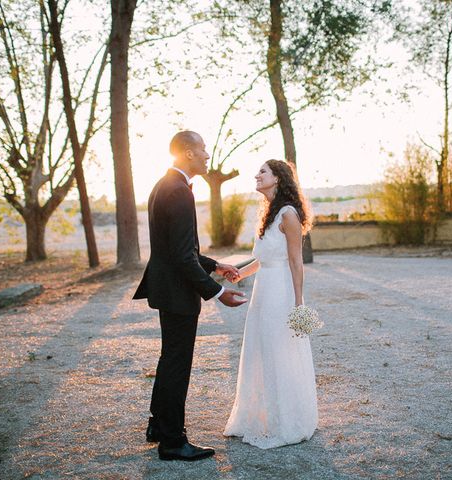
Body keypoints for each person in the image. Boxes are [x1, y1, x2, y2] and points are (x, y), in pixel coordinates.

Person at [133, 131, 247, 461]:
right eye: (203, 149)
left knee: (170, 357)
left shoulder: (164, 185)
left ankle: (159, 425)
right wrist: (218, 292)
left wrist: (215, 264)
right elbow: (182, 256)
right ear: (187, 153)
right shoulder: (179, 191)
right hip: (177, 290)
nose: (208, 155)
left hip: (168, 287)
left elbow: (179, 249)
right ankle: (172, 441)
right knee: (177, 363)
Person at [223, 159, 318, 449]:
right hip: (263, 293)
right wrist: (238, 272)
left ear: (278, 178)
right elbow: (263, 260)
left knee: (280, 351)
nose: (256, 175)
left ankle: (286, 421)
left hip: (281, 292)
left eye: (262, 171)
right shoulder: (268, 213)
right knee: (261, 350)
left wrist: (298, 303)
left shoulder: (288, 214)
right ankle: (260, 415)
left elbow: (295, 261)